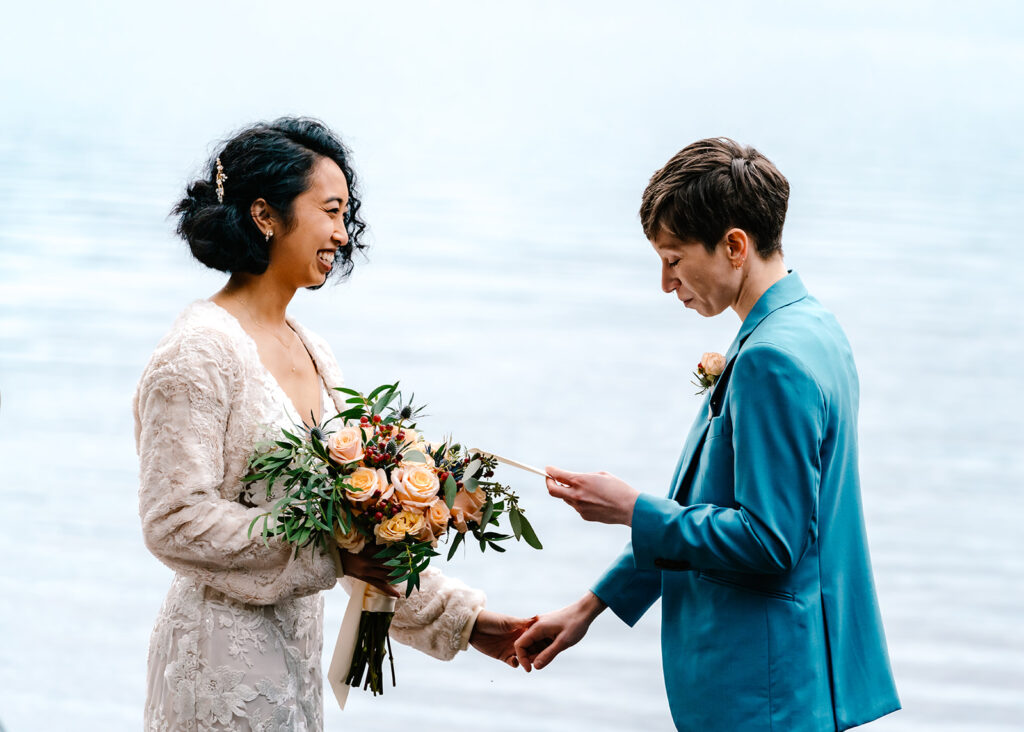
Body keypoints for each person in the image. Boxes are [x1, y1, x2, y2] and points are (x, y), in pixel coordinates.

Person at [135, 117, 530, 731]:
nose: (343, 236)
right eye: (331, 211)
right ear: (266, 215)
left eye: (347, 216)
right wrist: (331, 556)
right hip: (216, 659)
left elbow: (356, 531)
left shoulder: (315, 350)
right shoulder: (197, 353)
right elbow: (174, 522)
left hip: (295, 655)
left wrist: (467, 623)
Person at [514, 138, 900, 731]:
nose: (666, 283)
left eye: (673, 258)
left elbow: (771, 541)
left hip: (763, 692)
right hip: (793, 674)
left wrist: (633, 510)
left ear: (735, 246)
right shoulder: (814, 327)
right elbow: (714, 508)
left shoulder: (774, 360)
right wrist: (592, 606)